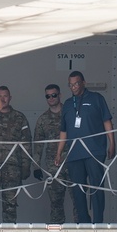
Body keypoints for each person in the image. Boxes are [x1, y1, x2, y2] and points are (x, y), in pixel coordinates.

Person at [55, 71, 114, 224]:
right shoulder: (68, 104)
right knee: (78, 190)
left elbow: (107, 122)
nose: (73, 87)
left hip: (94, 151)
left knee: (97, 187)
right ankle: (83, 223)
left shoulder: (96, 99)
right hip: (74, 154)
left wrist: (112, 144)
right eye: (70, 84)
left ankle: (98, 223)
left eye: (76, 84)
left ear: (83, 83)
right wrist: (59, 153)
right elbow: (64, 131)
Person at [0, 86, 32, 223]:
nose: (3, 99)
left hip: (12, 168)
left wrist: (26, 167)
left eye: (5, 96)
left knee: (10, 206)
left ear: (10, 98)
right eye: (0, 96)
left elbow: (26, 144)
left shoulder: (19, 118)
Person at [33, 83, 71, 224]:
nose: (51, 98)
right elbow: (38, 144)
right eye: (48, 96)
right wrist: (36, 166)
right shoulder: (42, 120)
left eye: (54, 95)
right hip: (53, 166)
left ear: (59, 95)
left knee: (78, 200)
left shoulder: (69, 115)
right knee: (56, 203)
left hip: (72, 162)